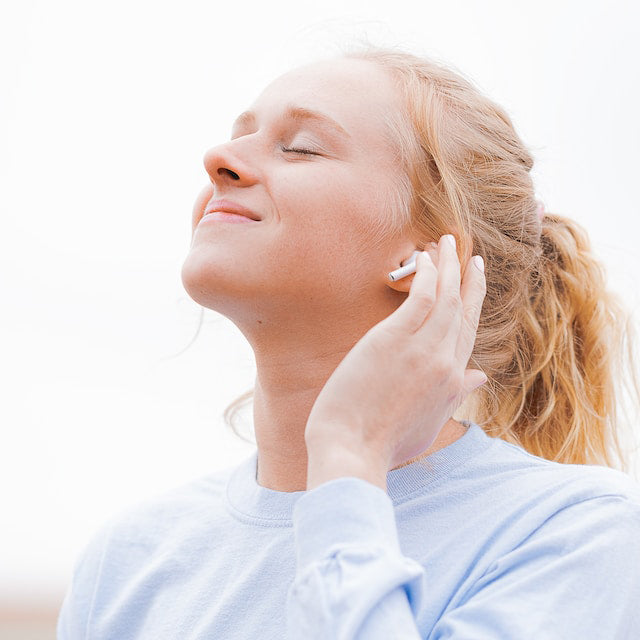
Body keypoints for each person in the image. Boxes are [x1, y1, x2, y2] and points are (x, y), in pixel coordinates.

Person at [57, 47, 640, 639]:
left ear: (435, 258)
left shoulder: (574, 533)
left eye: (301, 146)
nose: (218, 160)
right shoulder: (127, 561)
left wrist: (349, 455)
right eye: (240, 135)